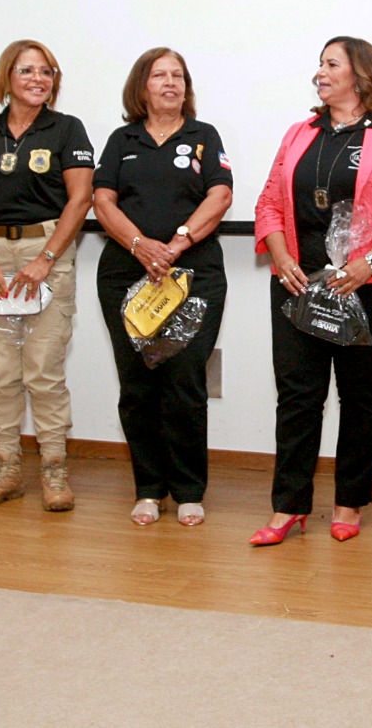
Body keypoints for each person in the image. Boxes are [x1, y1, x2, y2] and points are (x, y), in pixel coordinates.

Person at [250, 36, 372, 546]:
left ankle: (349, 502)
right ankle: (289, 507)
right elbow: (268, 202)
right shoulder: (298, 133)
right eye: (320, 64)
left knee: (361, 399)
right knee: (298, 397)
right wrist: (281, 255)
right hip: (297, 285)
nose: (320, 72)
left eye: (331, 64)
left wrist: (367, 263)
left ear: (361, 73)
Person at [93, 48, 233, 527]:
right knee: (137, 384)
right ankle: (149, 488)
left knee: (184, 380)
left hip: (193, 277)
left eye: (178, 75)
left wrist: (175, 244)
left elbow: (221, 194)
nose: (170, 82)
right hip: (125, 274)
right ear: (142, 86)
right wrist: (139, 245)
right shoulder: (122, 139)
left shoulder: (203, 136)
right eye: (159, 75)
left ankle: (189, 489)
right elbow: (102, 199)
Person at [0, 40, 94, 512]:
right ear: (7, 77)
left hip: (46, 251)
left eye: (47, 72)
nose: (39, 79)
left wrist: (46, 259)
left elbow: (80, 199)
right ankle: (6, 468)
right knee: (0, 371)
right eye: (27, 70)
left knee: (44, 371)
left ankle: (54, 469)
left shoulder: (66, 129)